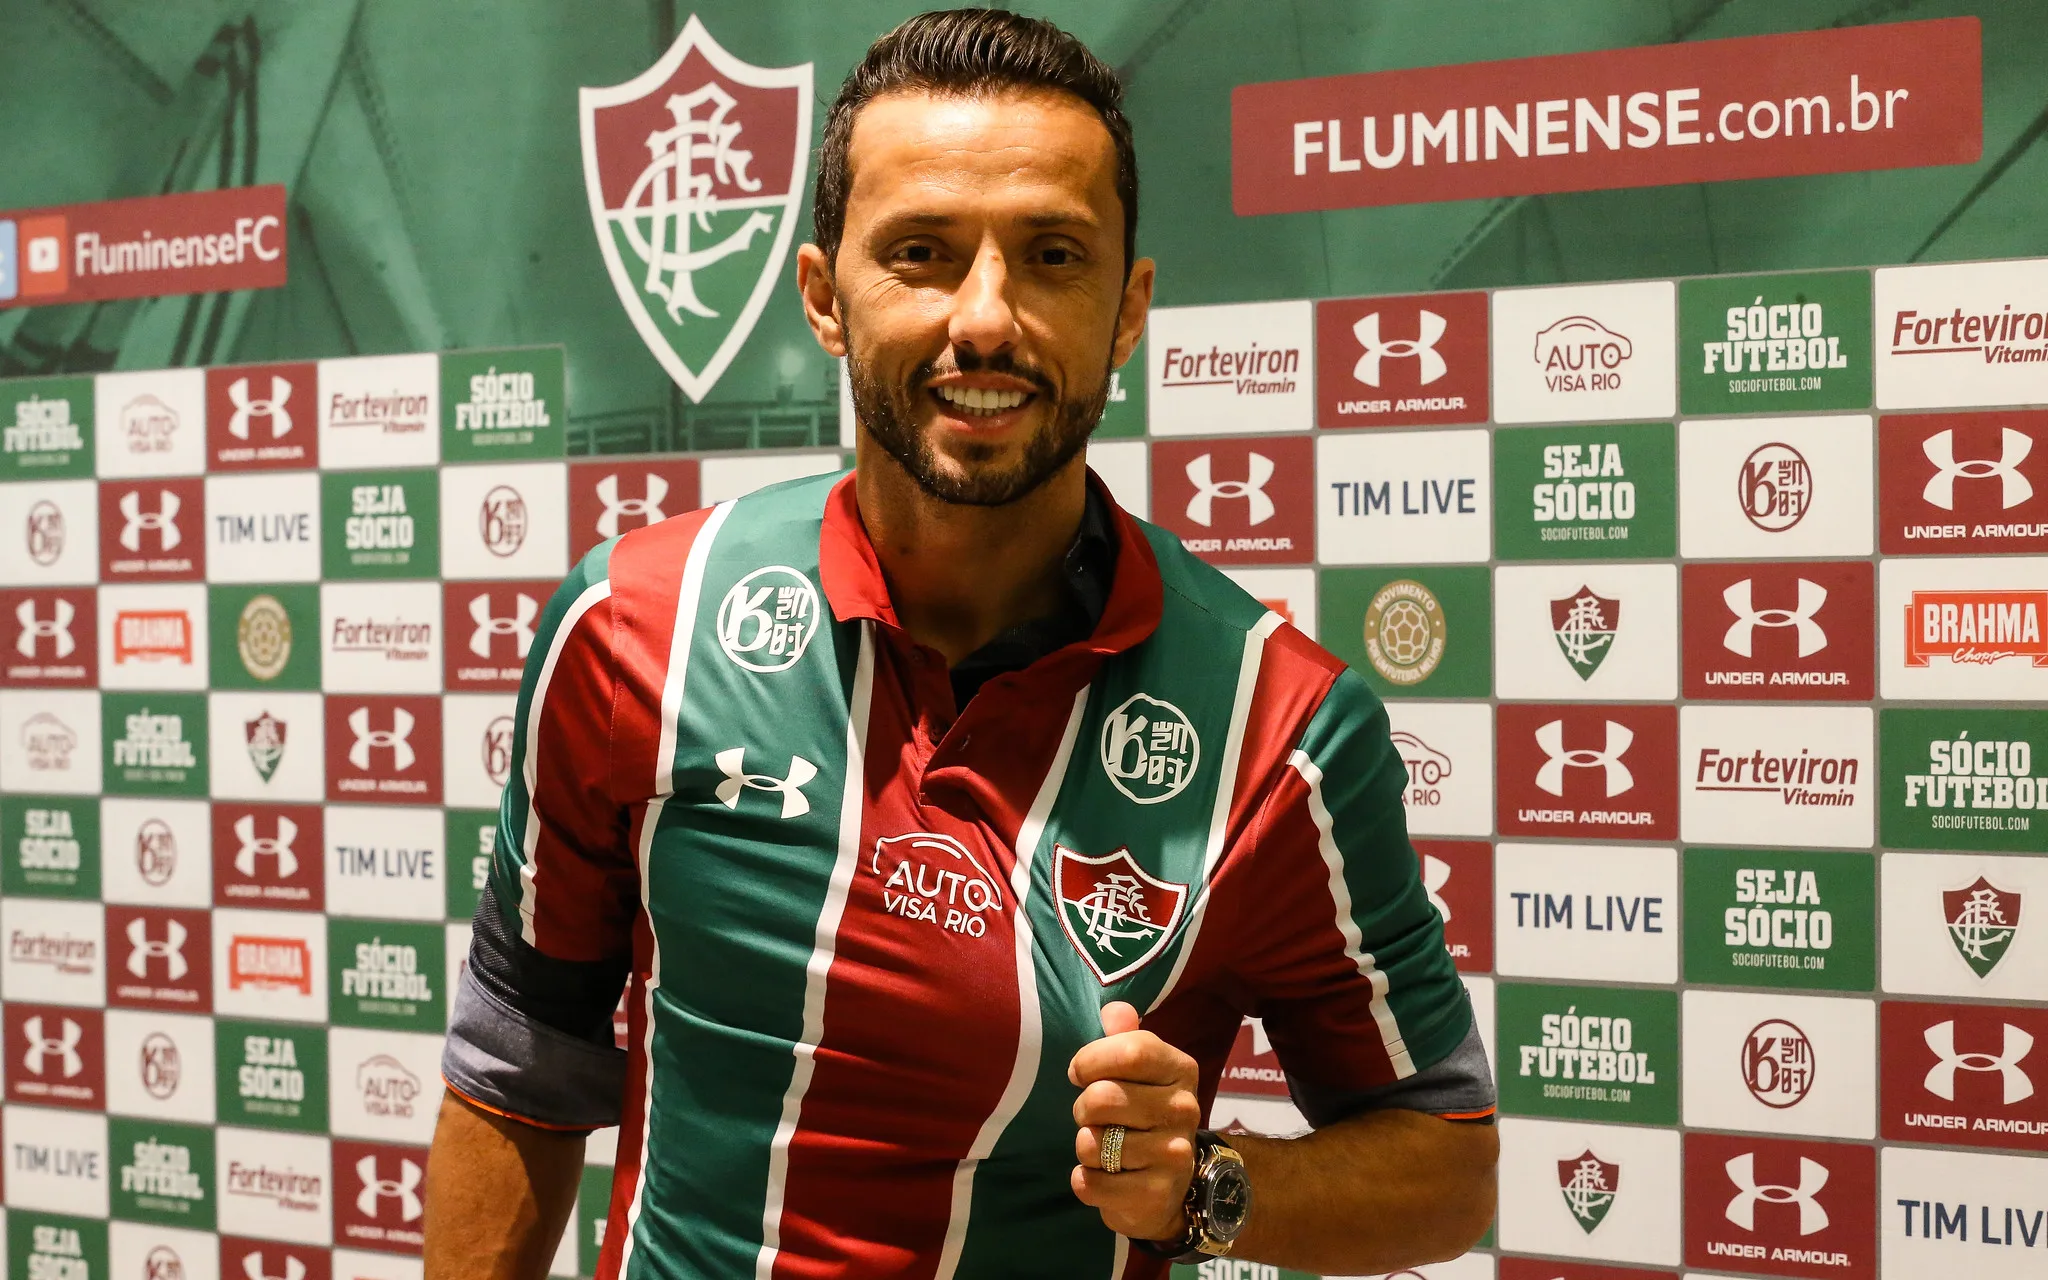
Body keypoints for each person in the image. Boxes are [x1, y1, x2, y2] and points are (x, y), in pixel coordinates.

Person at [423, 10, 1497, 1278]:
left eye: (1051, 254)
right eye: (921, 252)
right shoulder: (631, 625)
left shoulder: (1281, 726)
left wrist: (1203, 1182)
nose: (984, 318)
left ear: (1127, 308)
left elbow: (1445, 1162)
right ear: (825, 296)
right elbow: (519, 1059)